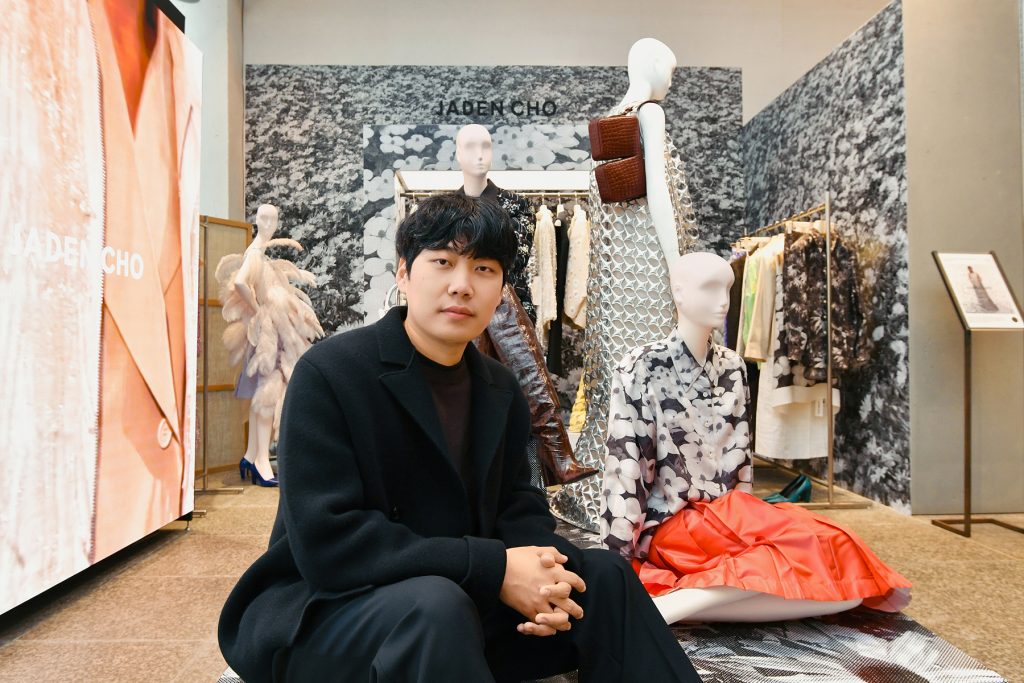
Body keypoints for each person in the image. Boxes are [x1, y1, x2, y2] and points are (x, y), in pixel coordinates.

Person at [218, 193, 701, 683]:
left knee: (605, 576)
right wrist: (494, 568)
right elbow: (330, 544)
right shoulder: (331, 373)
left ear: (502, 290)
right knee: (435, 605)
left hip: (459, 599)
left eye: (484, 269)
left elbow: (520, 507)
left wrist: (543, 578)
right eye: (443, 262)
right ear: (404, 273)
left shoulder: (499, 388)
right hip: (329, 611)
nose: (462, 285)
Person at [600, 252, 911, 624]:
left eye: (728, 288)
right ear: (678, 293)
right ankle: (675, 605)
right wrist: (617, 559)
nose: (723, 301)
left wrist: (749, 527)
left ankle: (681, 604)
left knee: (839, 554)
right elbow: (626, 467)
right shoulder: (640, 367)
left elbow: (741, 463)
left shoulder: (732, 367)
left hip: (730, 515)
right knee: (812, 562)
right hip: (673, 522)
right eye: (709, 288)